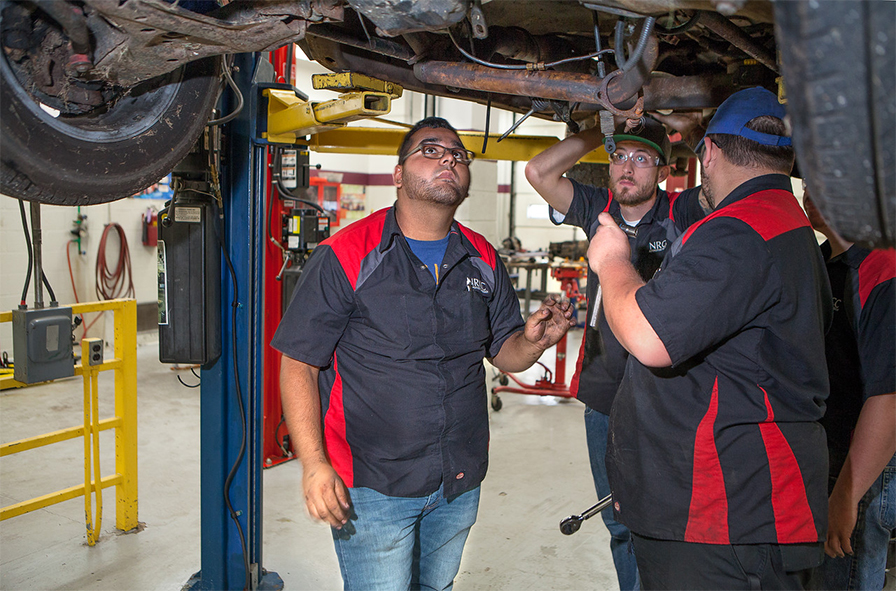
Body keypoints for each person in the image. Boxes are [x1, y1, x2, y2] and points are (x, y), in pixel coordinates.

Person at [271, 116, 576, 591]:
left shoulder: (483, 257)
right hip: (373, 485)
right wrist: (314, 464)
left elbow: (505, 353)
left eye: (458, 154)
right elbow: (299, 364)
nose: (448, 159)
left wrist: (535, 341)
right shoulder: (346, 255)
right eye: (430, 151)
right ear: (398, 175)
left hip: (458, 476)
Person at [588, 87, 833, 589]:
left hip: (723, 517)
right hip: (725, 507)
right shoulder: (784, 223)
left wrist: (612, 260)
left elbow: (648, 335)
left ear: (711, 153)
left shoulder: (743, 229)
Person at [525, 116, 707, 590]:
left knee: (673, 516)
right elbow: (538, 173)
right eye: (620, 156)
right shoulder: (596, 206)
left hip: (669, 391)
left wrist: (690, 128)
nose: (628, 168)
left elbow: (731, 182)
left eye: (643, 158)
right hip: (606, 391)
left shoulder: (681, 210)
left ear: (664, 172)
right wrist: (598, 132)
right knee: (619, 521)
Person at [802, 190, 896, 590]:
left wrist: (847, 494)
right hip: (826, 451)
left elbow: (890, 397)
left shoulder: (883, 265)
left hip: (865, 463)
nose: (809, 193)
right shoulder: (824, 260)